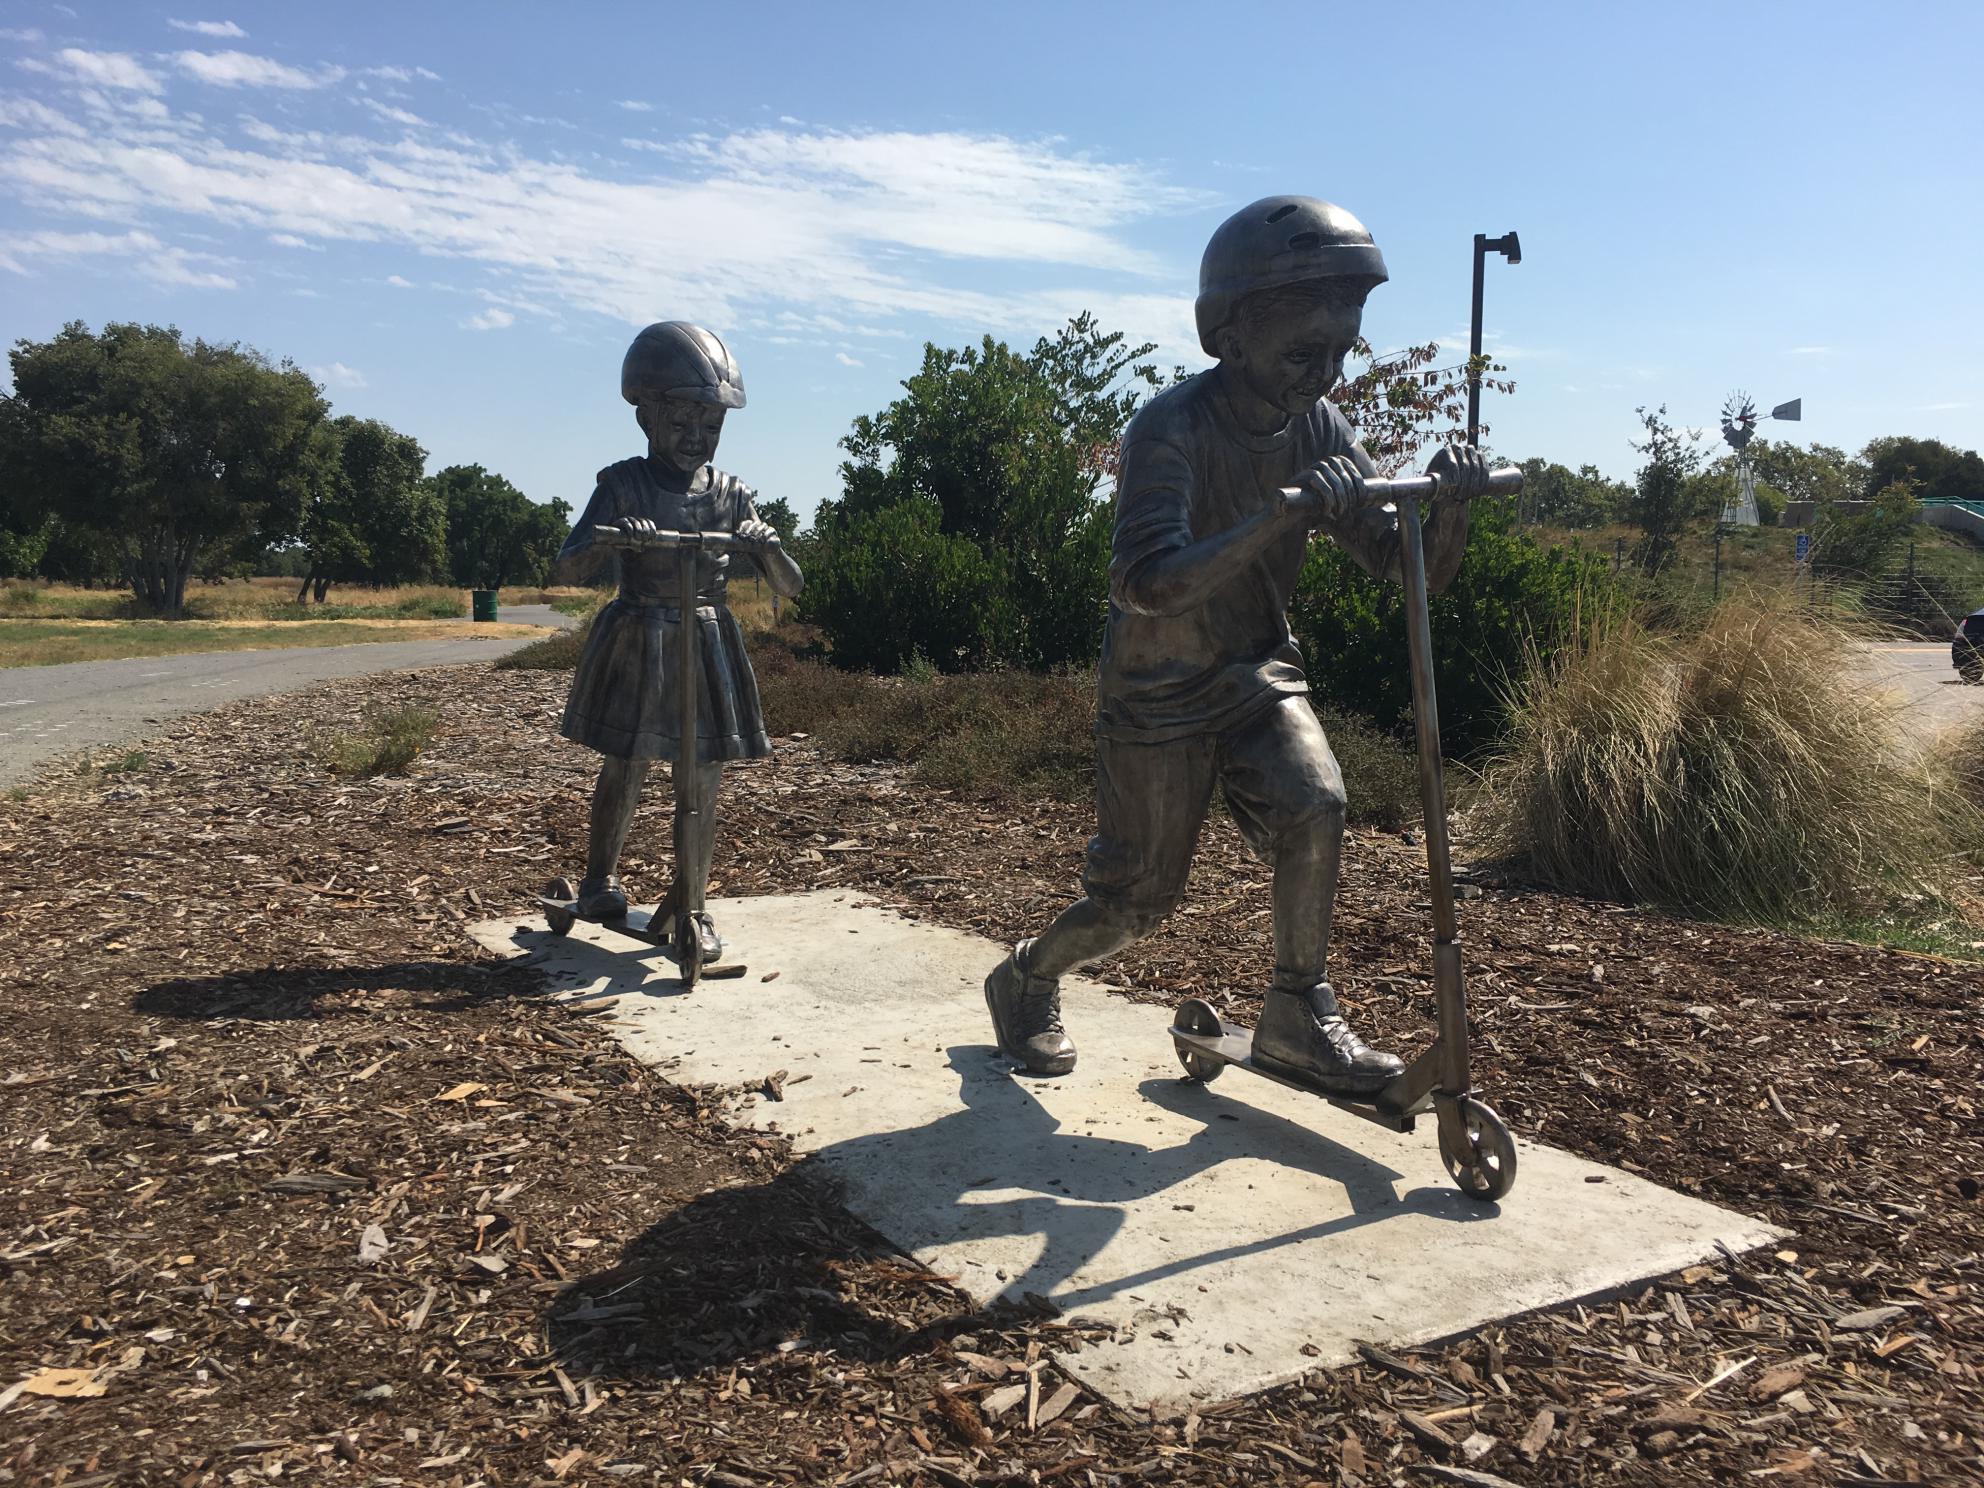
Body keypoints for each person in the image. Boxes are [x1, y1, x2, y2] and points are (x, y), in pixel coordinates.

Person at [984, 196, 1489, 1088]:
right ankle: (1027, 975)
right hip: (1158, 691)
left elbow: (1401, 564)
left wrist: (1443, 509)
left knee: (1318, 805)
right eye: (1303, 353)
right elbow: (1143, 583)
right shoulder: (1171, 427)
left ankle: (1299, 1009)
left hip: (1256, 677)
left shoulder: (1320, 428)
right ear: (1227, 334)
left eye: (1339, 353)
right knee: (1134, 905)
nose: (1324, 376)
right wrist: (1276, 516)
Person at [554, 322, 803, 958]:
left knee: (704, 774)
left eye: (710, 427)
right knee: (628, 760)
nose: (696, 439)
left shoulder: (731, 494)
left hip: (706, 638)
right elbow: (569, 565)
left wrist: (765, 548)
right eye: (682, 424)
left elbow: (792, 585)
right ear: (646, 416)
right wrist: (612, 535)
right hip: (641, 635)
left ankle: (693, 899)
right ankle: (599, 879)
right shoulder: (622, 483)